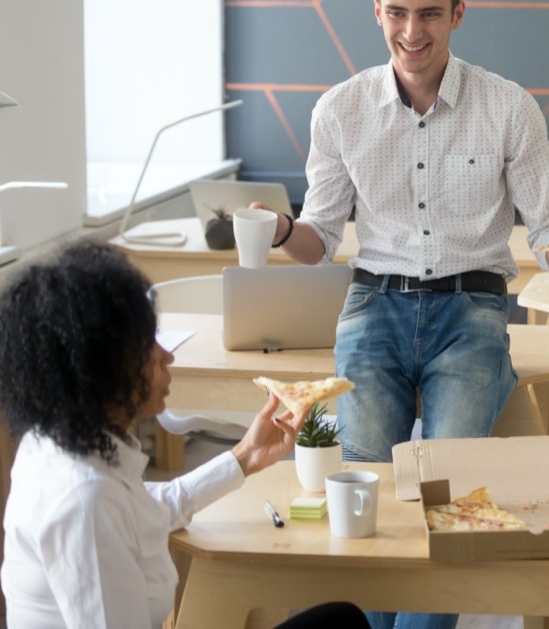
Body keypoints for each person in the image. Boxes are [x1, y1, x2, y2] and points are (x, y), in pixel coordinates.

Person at [255, 0, 549, 629]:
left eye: (427, 14)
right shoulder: (339, 110)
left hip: (471, 309)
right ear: (377, 12)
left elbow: (546, 232)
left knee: (449, 502)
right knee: (366, 495)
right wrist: (277, 231)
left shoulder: (508, 107)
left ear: (458, 13)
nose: (410, 31)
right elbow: (320, 239)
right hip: (373, 306)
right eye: (397, 13)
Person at [0, 240, 370, 629]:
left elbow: (149, 510)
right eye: (147, 345)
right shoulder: (84, 501)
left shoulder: (54, 445)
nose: (167, 355)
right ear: (100, 370)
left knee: (339, 618)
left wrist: (244, 457)